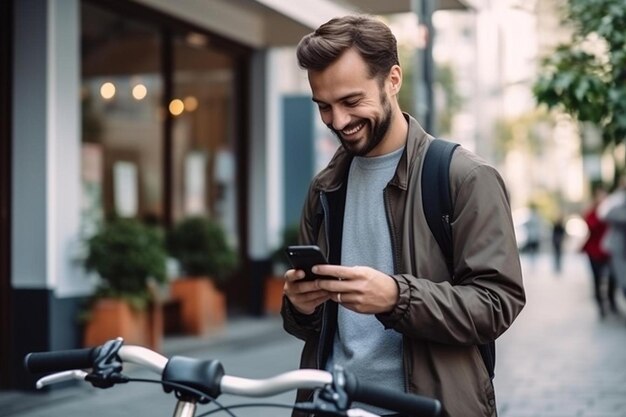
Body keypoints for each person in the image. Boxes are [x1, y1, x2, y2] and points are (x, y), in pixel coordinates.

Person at [280, 15, 525, 417]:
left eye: (351, 101)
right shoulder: (326, 187)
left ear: (393, 80)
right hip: (330, 406)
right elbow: (311, 328)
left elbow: (497, 302)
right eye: (324, 106)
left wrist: (397, 297)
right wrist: (300, 306)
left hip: (430, 406)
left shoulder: (464, 176)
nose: (338, 121)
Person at [581, 185, 617, 317]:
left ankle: (611, 301)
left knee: (612, 277)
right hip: (594, 250)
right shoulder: (592, 212)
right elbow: (591, 225)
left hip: (608, 251)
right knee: (597, 278)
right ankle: (600, 305)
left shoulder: (611, 211)